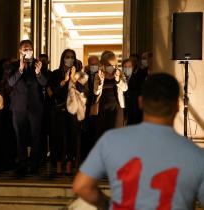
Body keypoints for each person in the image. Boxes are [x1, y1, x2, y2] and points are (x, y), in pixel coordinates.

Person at [73, 73, 204, 210]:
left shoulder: (111, 140)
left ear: (140, 102)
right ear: (177, 105)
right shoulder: (196, 155)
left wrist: (108, 204)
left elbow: (81, 186)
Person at [8, 40, 47, 175]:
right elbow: (11, 82)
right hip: (19, 107)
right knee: (20, 136)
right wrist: (20, 69)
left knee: (36, 136)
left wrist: (38, 73)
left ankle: (34, 165)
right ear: (20, 51)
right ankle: (23, 165)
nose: (27, 50)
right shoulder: (13, 65)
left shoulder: (38, 63)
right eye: (25, 48)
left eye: (29, 48)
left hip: (35, 106)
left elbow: (44, 83)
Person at [49, 49, 88, 175]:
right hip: (59, 108)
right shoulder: (55, 73)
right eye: (67, 56)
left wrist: (73, 79)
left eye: (72, 57)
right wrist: (64, 81)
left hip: (73, 109)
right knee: (58, 136)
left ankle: (70, 162)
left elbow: (83, 90)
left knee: (72, 136)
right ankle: (59, 163)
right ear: (63, 58)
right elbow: (52, 92)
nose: (69, 59)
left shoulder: (80, 74)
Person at [92, 51, 127, 139]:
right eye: (108, 65)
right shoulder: (98, 75)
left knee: (116, 133)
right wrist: (101, 81)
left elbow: (125, 88)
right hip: (102, 106)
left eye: (113, 65)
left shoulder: (120, 73)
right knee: (102, 134)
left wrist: (118, 80)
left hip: (117, 106)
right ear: (103, 64)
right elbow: (96, 92)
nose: (110, 67)